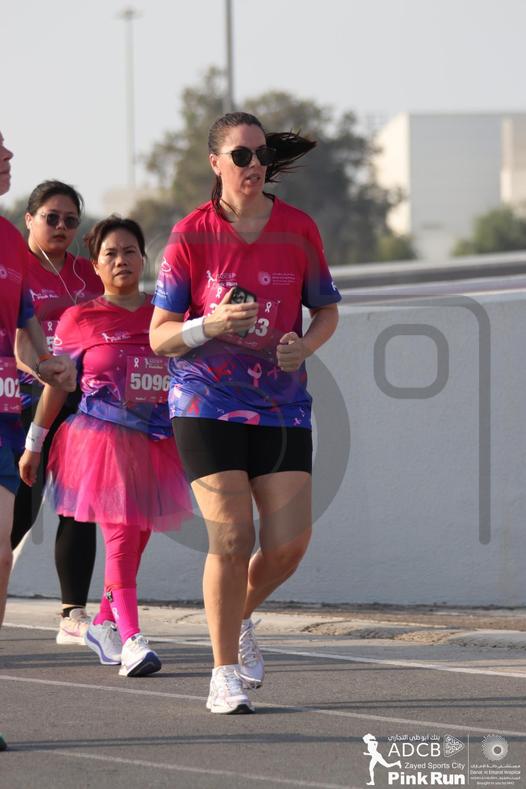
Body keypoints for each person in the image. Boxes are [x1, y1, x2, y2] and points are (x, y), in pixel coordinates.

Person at [150, 111, 341, 713]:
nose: (254, 165)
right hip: (205, 400)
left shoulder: (298, 229)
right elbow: (159, 336)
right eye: (240, 156)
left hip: (282, 405)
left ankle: (236, 617)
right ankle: (223, 673)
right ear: (216, 163)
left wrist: (304, 346)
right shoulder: (191, 234)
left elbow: (326, 310)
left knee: (288, 546)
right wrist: (208, 325)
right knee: (233, 535)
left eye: (261, 155)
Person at [19, 215, 190, 678]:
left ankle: (102, 623)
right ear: (95, 265)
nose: (121, 261)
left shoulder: (165, 315)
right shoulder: (79, 319)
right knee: (120, 536)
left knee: (137, 538)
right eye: (110, 254)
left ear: (143, 258)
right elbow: (57, 384)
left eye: (129, 251)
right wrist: (35, 442)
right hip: (102, 439)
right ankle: (132, 639)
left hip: (157, 440)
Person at [0, 131, 76, 750]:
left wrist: (45, 365)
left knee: (0, 554)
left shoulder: (7, 239)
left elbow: (24, 332)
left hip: (4, 413)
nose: (8, 158)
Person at [11, 180, 103, 646]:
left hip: (82, 405)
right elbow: (18, 339)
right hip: (22, 400)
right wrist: (42, 369)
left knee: (79, 507)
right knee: (20, 510)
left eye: (70, 220)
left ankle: (73, 614)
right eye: (51, 217)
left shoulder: (89, 274)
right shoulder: (14, 267)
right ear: (30, 219)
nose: (61, 226)